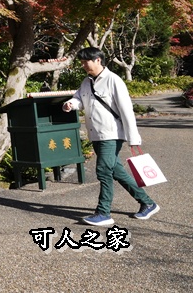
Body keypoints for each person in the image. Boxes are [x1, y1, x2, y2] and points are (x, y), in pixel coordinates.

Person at [62, 47, 159, 227]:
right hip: (96, 134)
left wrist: (133, 138)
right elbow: (79, 98)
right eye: (81, 62)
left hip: (111, 134)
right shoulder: (86, 82)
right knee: (116, 171)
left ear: (98, 60)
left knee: (103, 170)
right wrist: (70, 104)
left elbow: (126, 110)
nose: (83, 65)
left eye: (85, 62)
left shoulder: (114, 80)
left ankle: (103, 212)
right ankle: (148, 203)